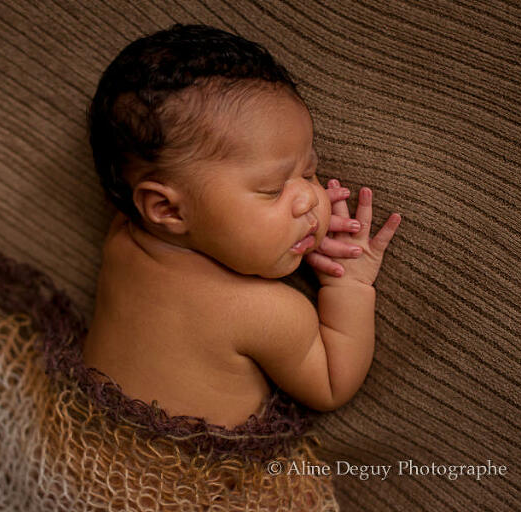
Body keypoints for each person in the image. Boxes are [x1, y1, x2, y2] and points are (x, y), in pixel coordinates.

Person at [82, 24, 401, 429]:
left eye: (310, 171)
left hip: (83, 434)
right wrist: (348, 285)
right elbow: (332, 386)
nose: (308, 199)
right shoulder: (268, 313)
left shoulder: (122, 236)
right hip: (180, 481)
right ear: (166, 209)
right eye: (272, 189)